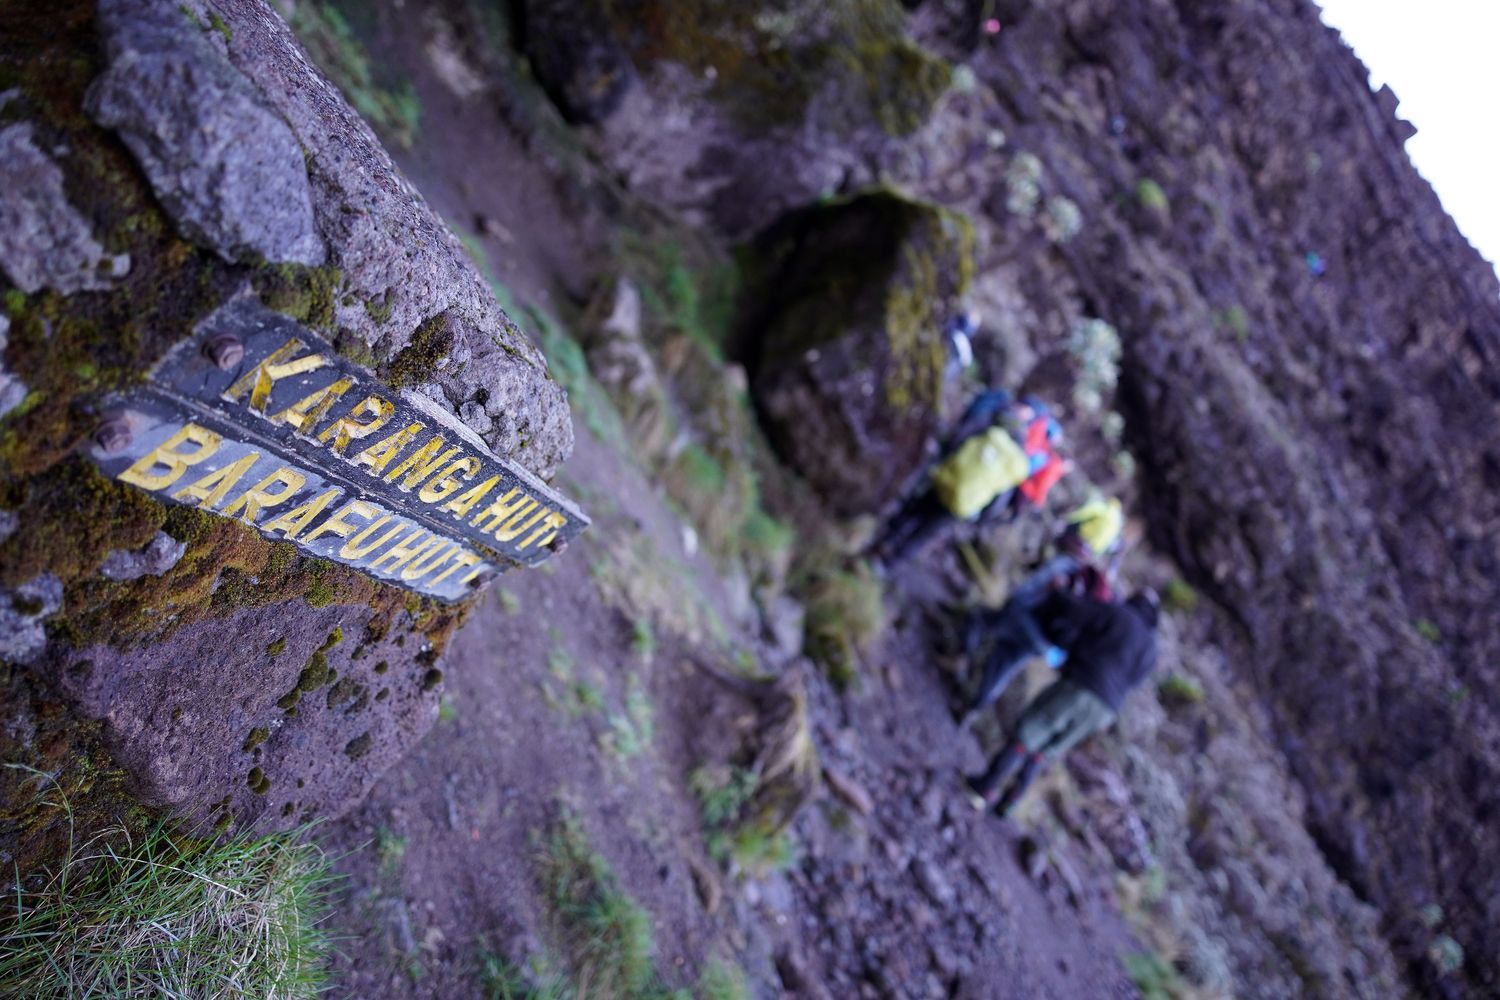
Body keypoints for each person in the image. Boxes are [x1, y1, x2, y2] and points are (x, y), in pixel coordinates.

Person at [965, 588, 1160, 816]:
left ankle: (985, 787)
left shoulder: (1119, 615)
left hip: (1082, 685)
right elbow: (1134, 683)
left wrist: (1058, 592)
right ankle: (1010, 804)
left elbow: (1077, 611)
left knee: (1030, 731)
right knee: (1048, 750)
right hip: (1106, 710)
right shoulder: (1152, 649)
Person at [874, 392, 1067, 568]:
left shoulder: (994, 420)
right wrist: (983, 517)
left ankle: (881, 544)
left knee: (914, 510)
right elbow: (1002, 493)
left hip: (947, 476)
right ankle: (890, 563)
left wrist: (943, 459)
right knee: (925, 533)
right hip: (967, 500)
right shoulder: (1021, 459)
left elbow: (960, 437)